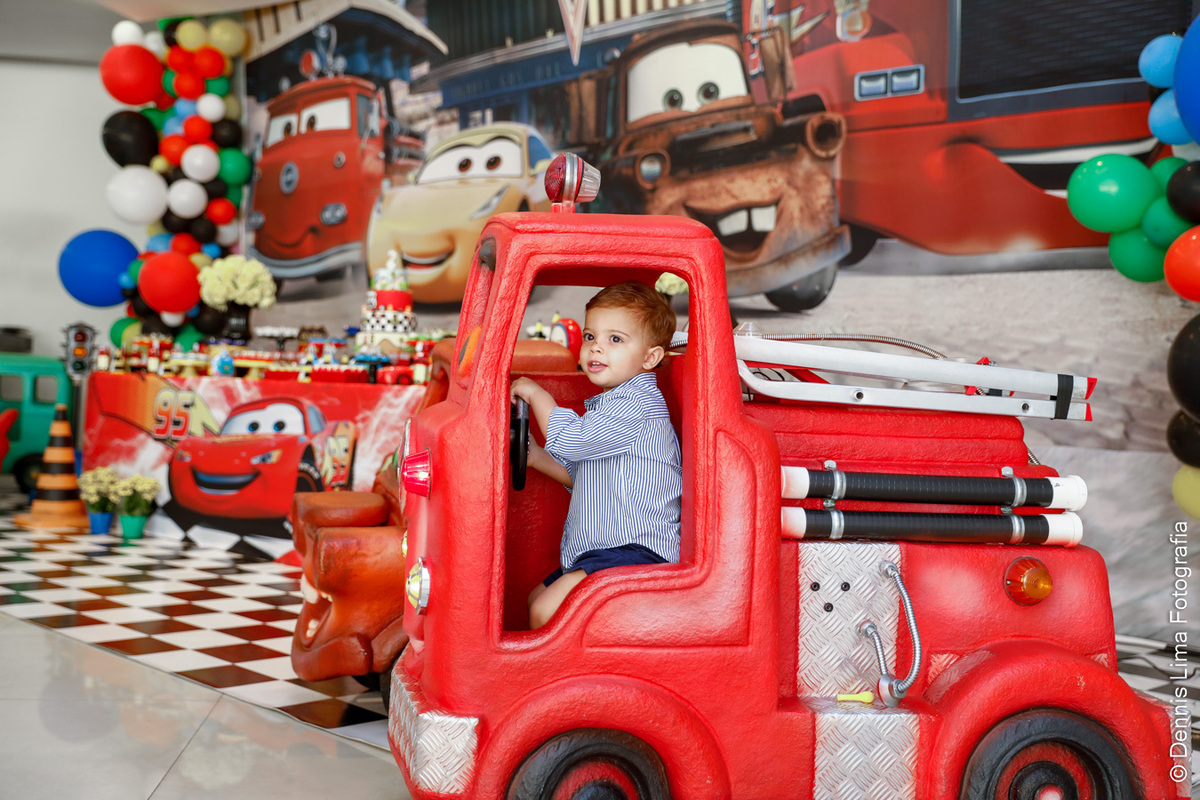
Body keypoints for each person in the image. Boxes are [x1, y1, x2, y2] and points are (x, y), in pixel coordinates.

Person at [510, 281, 683, 629]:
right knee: (533, 600)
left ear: (650, 357)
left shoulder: (637, 404)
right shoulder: (613, 404)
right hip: (604, 550)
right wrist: (536, 457)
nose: (596, 349)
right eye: (590, 337)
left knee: (545, 612)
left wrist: (536, 393)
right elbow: (585, 472)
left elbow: (572, 442)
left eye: (615, 340)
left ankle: (561, 681)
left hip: (637, 552)